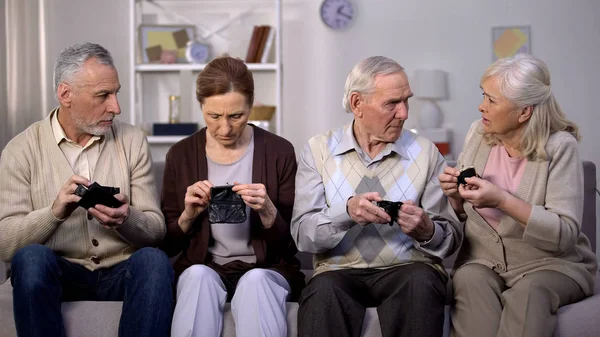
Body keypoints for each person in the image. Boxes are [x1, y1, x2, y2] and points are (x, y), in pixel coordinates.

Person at [0, 42, 174, 337]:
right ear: (66, 94)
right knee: (30, 259)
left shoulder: (132, 141)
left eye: (116, 93)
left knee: (154, 261)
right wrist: (53, 213)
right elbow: (6, 244)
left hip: (122, 270)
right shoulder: (21, 150)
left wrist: (127, 218)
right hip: (61, 272)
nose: (116, 107)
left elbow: (156, 230)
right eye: (103, 95)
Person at [292, 56, 462, 337]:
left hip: (409, 269)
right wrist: (345, 214)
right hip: (338, 273)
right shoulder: (318, 150)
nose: (404, 113)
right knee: (323, 291)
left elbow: (450, 239)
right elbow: (303, 235)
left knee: (421, 281)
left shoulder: (426, 152)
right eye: (392, 103)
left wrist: (427, 231)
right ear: (358, 103)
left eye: (407, 100)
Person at [438, 53, 597, 337]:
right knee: (469, 279)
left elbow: (565, 234)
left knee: (529, 292)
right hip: (482, 262)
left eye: (492, 100)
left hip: (551, 265)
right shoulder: (478, 133)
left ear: (524, 112)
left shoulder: (561, 147)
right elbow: (461, 214)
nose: (481, 106)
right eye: (483, 96)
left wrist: (502, 201)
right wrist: (454, 196)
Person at [160, 56, 305, 337]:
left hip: (267, 267)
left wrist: (268, 212)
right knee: (197, 277)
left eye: (236, 116)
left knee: (256, 282)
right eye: (214, 116)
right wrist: (188, 215)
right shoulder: (180, 154)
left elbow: (294, 244)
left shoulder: (279, 152)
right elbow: (166, 244)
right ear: (201, 106)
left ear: (251, 106)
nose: (224, 129)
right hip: (204, 265)